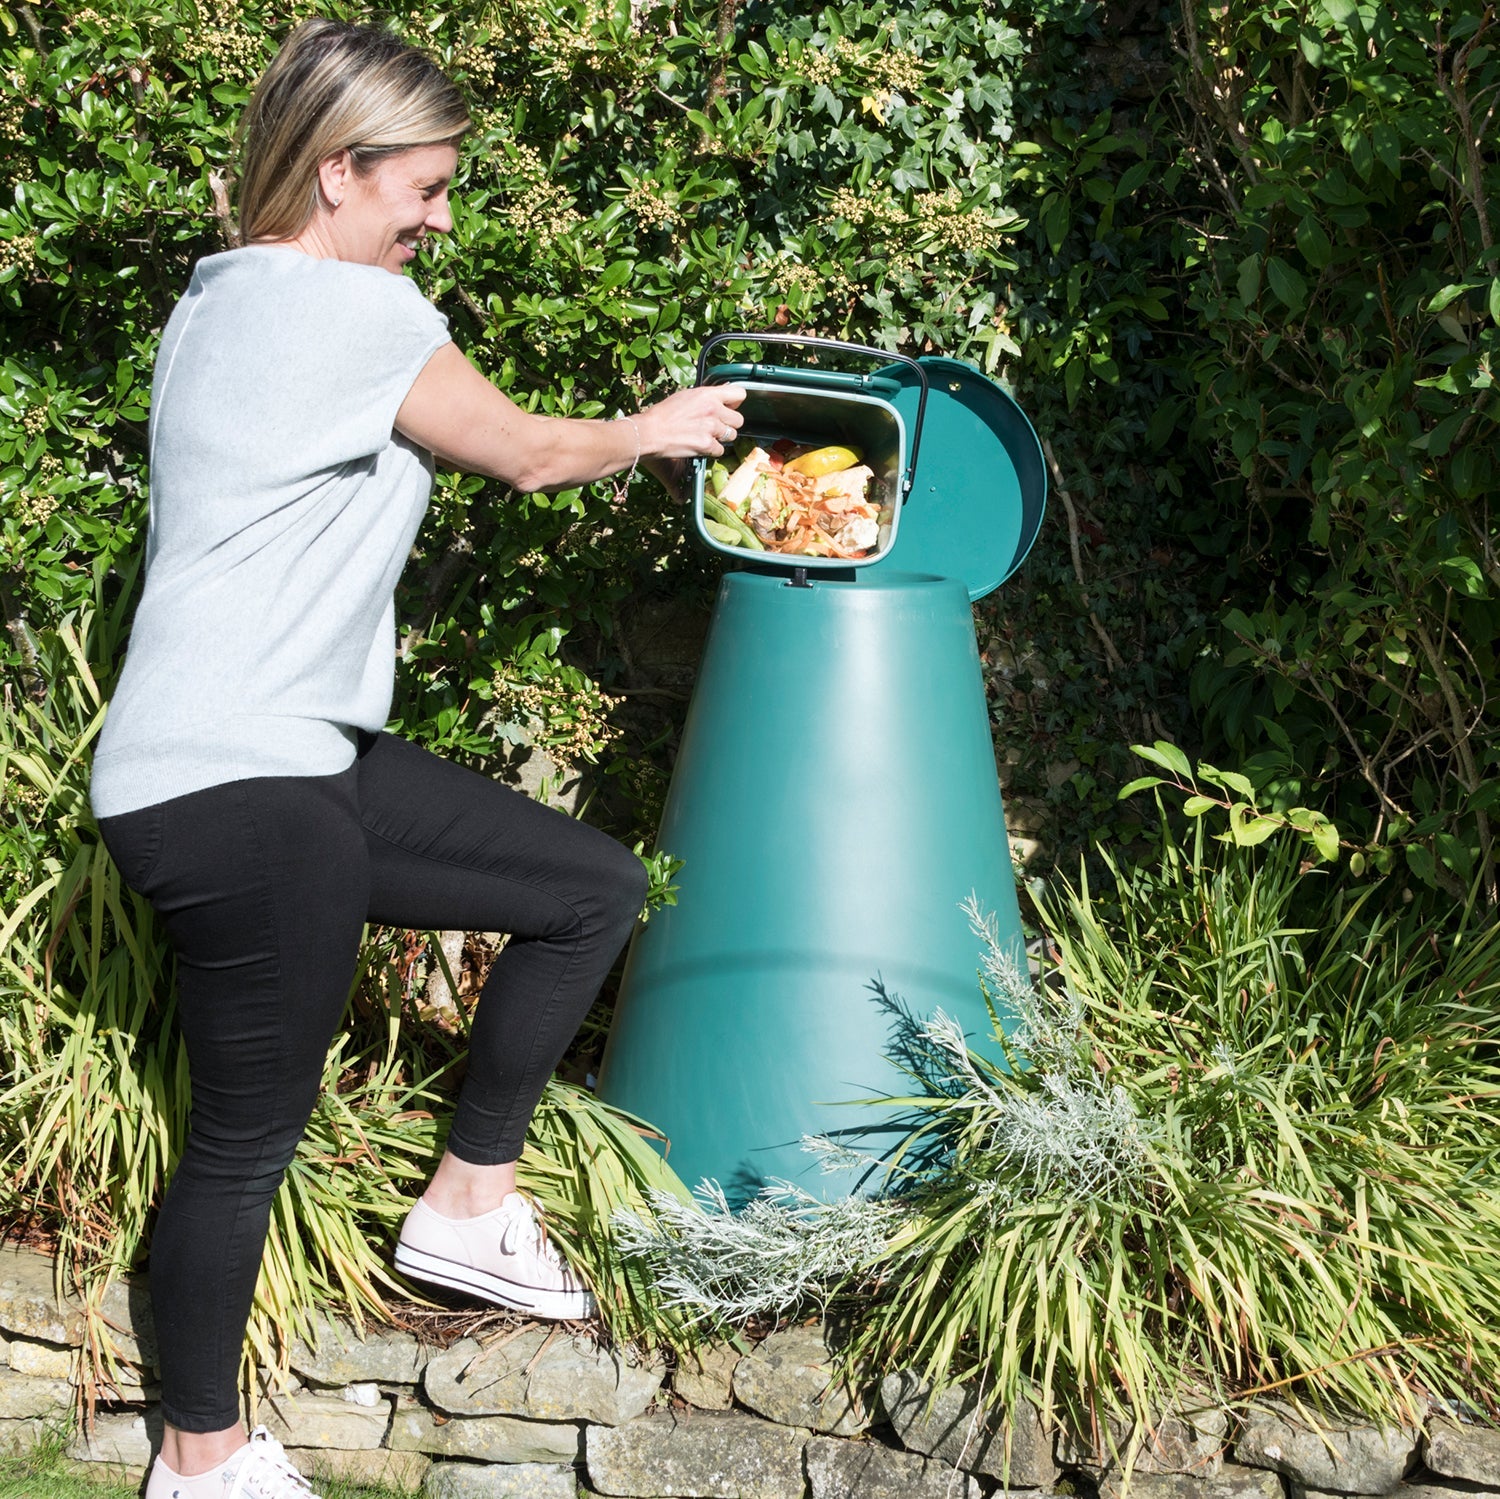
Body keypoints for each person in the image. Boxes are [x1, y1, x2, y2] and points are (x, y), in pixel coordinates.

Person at [89, 18, 745, 1499]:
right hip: (238, 783)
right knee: (246, 1141)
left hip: (278, 761)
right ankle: (202, 1464)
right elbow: (523, 450)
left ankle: (465, 1203)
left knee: (586, 884)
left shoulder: (220, 298)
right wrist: (658, 430)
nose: (440, 220)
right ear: (339, 174)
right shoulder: (352, 318)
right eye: (426, 188)